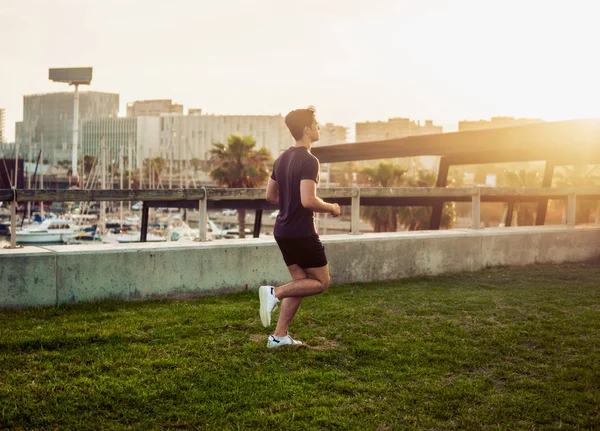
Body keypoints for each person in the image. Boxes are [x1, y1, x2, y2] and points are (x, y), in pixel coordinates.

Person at [260, 106, 341, 349]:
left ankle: (278, 337)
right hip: (302, 232)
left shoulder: (282, 158)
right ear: (307, 129)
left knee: (301, 282)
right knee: (320, 283)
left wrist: (289, 201)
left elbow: (270, 195)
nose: (319, 128)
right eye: (316, 124)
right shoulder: (309, 160)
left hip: (282, 230)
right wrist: (332, 208)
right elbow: (308, 201)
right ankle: (274, 293)